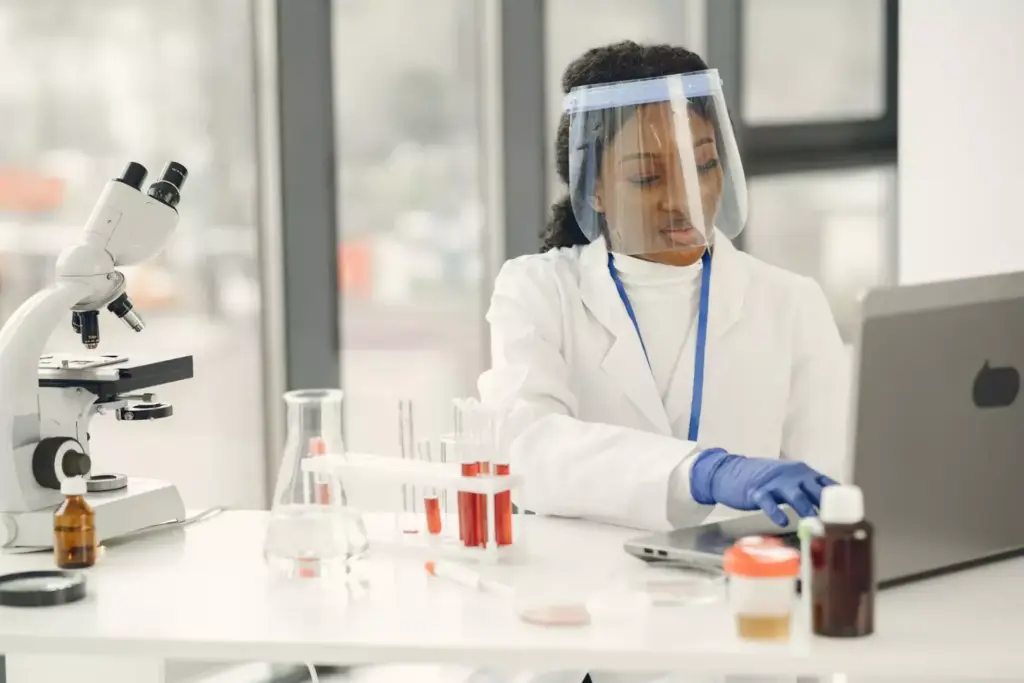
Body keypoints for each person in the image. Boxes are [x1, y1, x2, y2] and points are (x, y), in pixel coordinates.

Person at [478, 40, 850, 532]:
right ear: (593, 188)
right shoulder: (539, 290)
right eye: (647, 176)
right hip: (587, 592)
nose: (683, 201)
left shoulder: (791, 302)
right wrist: (706, 472)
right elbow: (528, 450)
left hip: (741, 586)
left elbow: (826, 497)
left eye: (703, 166)